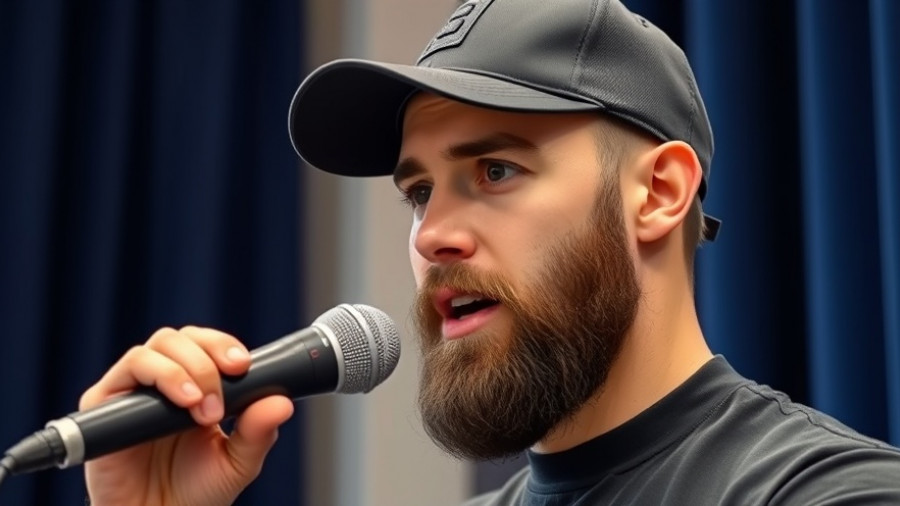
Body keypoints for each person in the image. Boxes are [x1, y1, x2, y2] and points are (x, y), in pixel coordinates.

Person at [80, 0, 900, 504]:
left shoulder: (831, 495)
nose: (433, 233)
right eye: (418, 191)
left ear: (658, 194)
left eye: (496, 169)